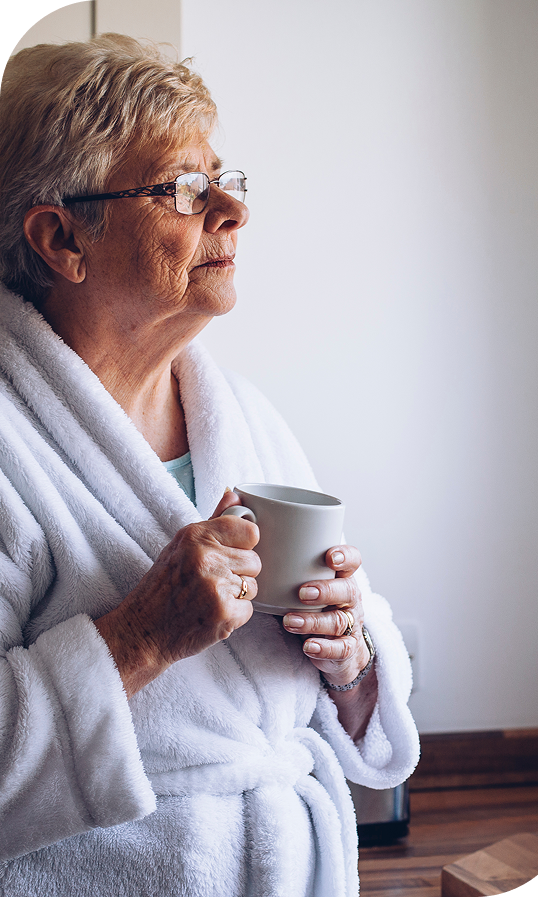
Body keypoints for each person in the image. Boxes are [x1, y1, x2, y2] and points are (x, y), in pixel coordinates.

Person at [0, 33, 419, 897]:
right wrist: (137, 636)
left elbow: (342, 666)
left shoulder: (244, 416)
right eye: (183, 187)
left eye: (225, 178)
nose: (232, 209)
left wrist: (353, 650)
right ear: (61, 239)